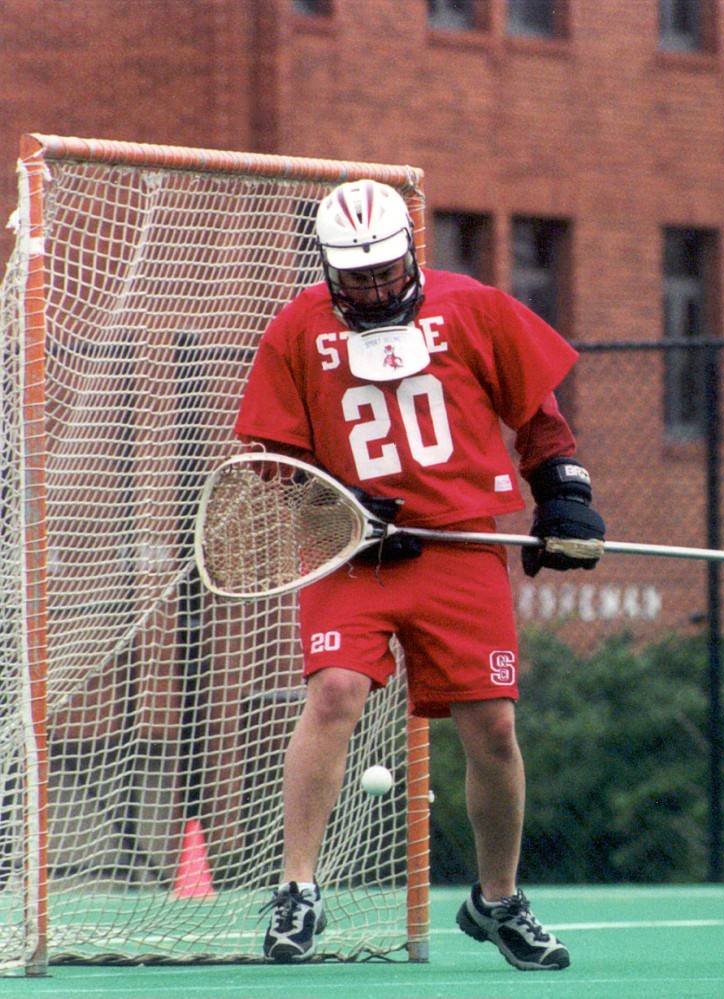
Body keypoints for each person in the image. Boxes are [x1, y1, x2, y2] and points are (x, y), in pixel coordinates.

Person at [235, 179, 603, 970]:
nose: (373, 290)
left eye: (384, 273)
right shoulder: (298, 326)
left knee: (492, 724)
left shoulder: (474, 308)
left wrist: (564, 497)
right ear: (330, 269)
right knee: (334, 691)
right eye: (356, 277)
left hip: (459, 545)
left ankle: (497, 900)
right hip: (349, 550)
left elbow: (538, 416)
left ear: (410, 254)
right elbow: (272, 460)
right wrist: (337, 504)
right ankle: (297, 888)